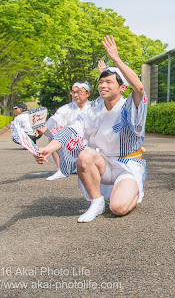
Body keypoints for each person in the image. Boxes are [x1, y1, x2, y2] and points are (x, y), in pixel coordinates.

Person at [36, 35, 148, 223]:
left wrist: (116, 59)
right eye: (101, 82)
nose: (103, 86)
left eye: (109, 82)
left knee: (118, 208)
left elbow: (139, 88)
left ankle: (134, 191)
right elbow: (73, 130)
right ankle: (96, 203)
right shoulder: (94, 107)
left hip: (128, 165)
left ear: (122, 87)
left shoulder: (131, 105)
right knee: (85, 155)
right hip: (103, 162)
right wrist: (48, 149)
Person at [36, 82, 94, 180]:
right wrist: (44, 129)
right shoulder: (66, 108)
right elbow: (55, 119)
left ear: (88, 93)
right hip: (71, 143)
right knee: (54, 135)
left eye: (79, 92)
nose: (75, 95)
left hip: (90, 143)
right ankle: (61, 169)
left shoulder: (94, 107)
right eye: (73, 92)